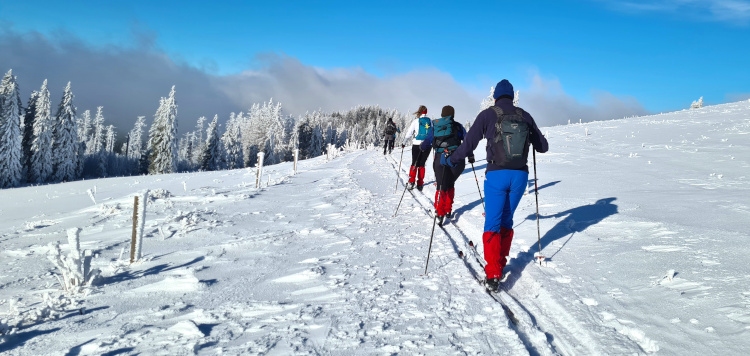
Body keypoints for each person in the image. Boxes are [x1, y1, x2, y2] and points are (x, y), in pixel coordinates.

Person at [442, 79, 549, 290]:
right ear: (512, 96)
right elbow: (543, 146)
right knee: (506, 220)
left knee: (492, 221)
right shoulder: (524, 115)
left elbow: (469, 143)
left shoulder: (488, 114)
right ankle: (500, 262)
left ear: (495, 97)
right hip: (520, 177)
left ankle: (493, 274)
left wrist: (452, 159)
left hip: (497, 174)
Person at [419, 105, 473, 226]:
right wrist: (470, 156)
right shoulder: (458, 126)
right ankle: (448, 210)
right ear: (453, 115)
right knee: (450, 183)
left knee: (441, 185)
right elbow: (468, 141)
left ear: (442, 114)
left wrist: (422, 147)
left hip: (440, 159)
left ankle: (440, 212)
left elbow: (427, 142)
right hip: (457, 160)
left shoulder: (435, 126)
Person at [402, 105, 431, 191]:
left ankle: (411, 182)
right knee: (422, 164)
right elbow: (432, 132)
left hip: (417, 144)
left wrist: (404, 142)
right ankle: (420, 183)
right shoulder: (430, 121)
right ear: (426, 112)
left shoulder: (416, 121)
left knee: (414, 163)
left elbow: (409, 133)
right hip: (427, 145)